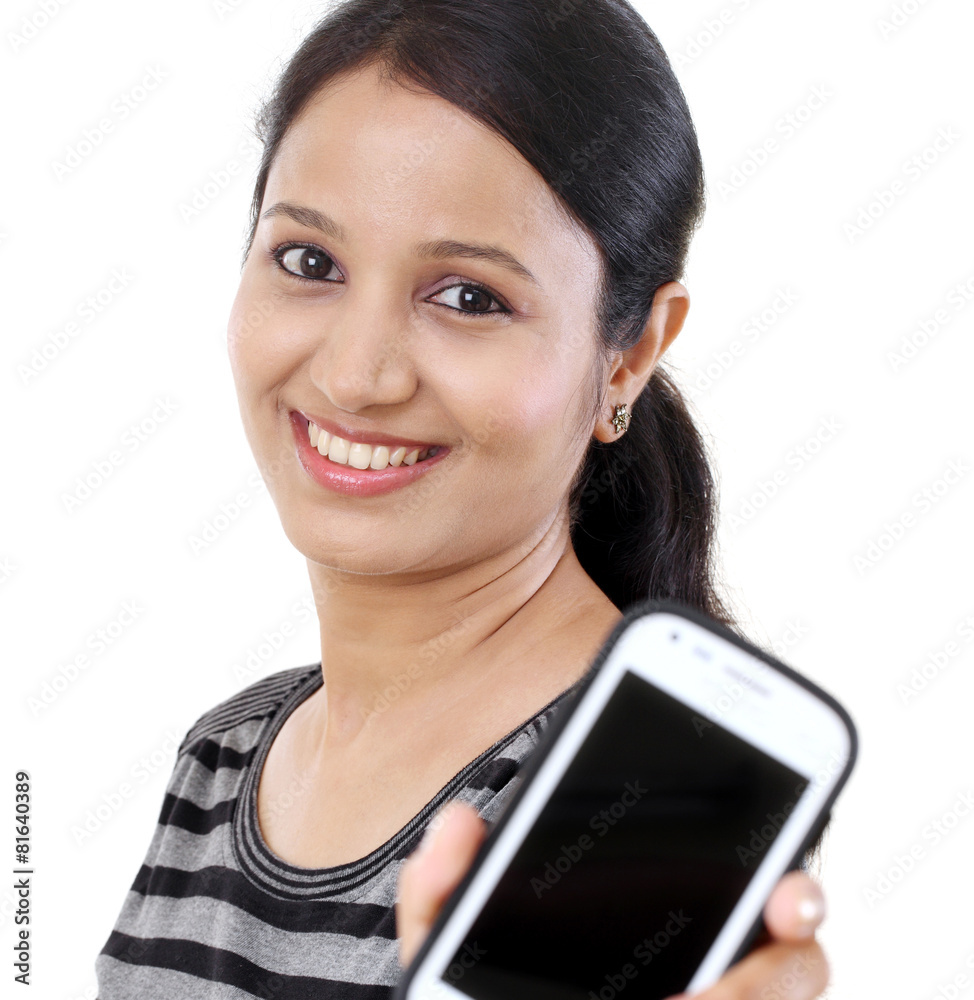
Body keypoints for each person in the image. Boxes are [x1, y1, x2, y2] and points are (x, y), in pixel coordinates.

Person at [95, 1, 831, 997]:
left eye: (470, 297)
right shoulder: (221, 756)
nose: (356, 375)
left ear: (630, 357)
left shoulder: (640, 805)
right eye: (308, 262)